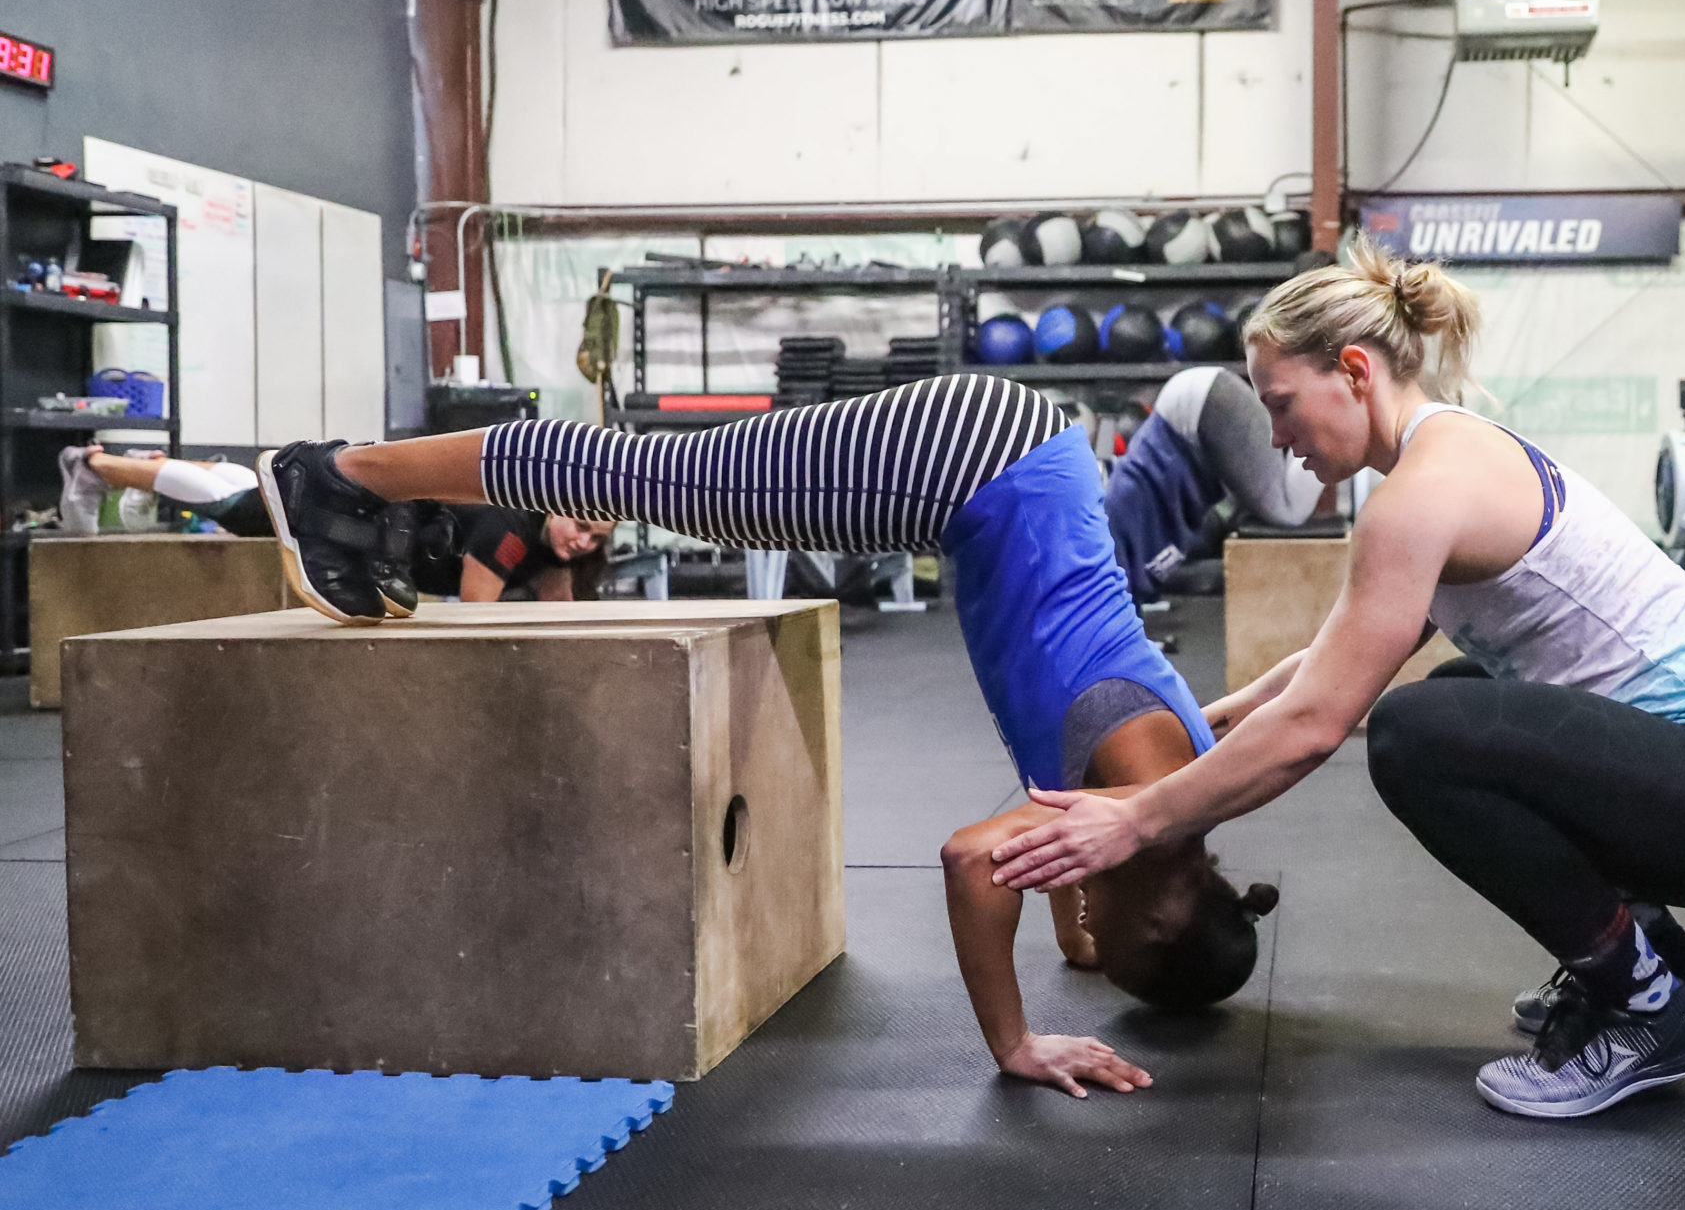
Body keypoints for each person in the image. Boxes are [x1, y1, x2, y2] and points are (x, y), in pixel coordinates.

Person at [988, 239, 1685, 1121]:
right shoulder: (1452, 454)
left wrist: (1136, 820)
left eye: (1280, 405)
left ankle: (1646, 1007)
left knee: (1416, 734)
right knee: (1465, 689)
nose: (1276, 437)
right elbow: (1345, 648)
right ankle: (1656, 957)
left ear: (1353, 371)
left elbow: (1323, 722)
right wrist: (1229, 712)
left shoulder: (1419, 495)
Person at [253, 374, 1275, 1098]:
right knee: (644, 477)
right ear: (1150, 919)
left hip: (1003, 463)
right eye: (1107, 931)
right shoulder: (1131, 795)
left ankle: (366, 489)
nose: (1082, 908)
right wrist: (1014, 1043)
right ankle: (336, 476)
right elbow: (975, 863)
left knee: (654, 480)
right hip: (966, 466)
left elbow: (1076, 867)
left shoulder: (1169, 798)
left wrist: (1086, 945)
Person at [58, 444, 611, 602]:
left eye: (594, 540)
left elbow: (556, 619)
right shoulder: (509, 533)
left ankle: (146, 464)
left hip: (366, 525)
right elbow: (477, 617)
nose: (580, 540)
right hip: (343, 515)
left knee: (236, 487)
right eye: (581, 524)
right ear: (558, 503)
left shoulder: (550, 552)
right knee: (232, 506)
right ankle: (94, 465)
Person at [1104, 364, 1327, 600]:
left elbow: (1111, 613)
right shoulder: (1138, 559)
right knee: (1260, 508)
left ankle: (1325, 410)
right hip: (1195, 416)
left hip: (1198, 407)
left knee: (1288, 511)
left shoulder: (1110, 534)